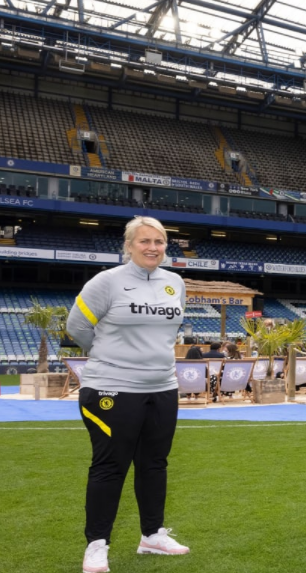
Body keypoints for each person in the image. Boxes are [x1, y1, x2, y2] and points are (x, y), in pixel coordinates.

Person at [66, 216, 191, 573]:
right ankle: (96, 544)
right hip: (112, 387)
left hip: (163, 387)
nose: (153, 248)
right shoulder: (107, 281)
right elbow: (77, 326)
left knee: (155, 463)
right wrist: (110, 356)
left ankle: (151, 535)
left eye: (160, 242)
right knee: (110, 466)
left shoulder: (175, 283)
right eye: (145, 241)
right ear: (129, 245)